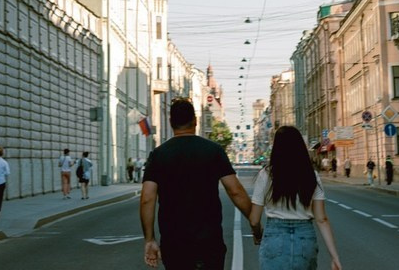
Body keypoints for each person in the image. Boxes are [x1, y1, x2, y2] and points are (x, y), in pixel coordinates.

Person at [140, 97, 255, 270]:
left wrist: (150, 239)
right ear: (195, 121)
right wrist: (255, 222)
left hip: (174, 242)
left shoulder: (158, 155)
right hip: (209, 241)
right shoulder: (213, 150)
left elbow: (147, 199)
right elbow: (235, 191)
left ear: (171, 123)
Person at [248, 125, 342, 270]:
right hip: (305, 239)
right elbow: (321, 219)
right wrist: (335, 257)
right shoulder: (311, 175)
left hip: (274, 236)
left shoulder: (266, 175)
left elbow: (254, 219)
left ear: (276, 148)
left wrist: (257, 234)